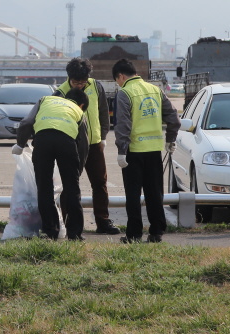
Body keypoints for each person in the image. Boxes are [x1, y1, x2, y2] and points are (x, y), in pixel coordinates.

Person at [112, 59, 179, 243]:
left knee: (133, 195)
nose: (118, 83)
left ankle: (133, 235)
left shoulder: (125, 93)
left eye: (117, 80)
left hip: (134, 152)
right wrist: (170, 139)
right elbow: (173, 117)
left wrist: (121, 151)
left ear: (121, 76)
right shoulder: (155, 90)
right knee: (155, 193)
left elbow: (123, 125)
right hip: (154, 151)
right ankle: (157, 232)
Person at [52, 58, 120, 234]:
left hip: (95, 144)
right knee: (69, 186)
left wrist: (103, 136)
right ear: (69, 78)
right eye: (76, 82)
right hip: (71, 146)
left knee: (100, 182)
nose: (80, 86)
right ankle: (68, 224)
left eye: (83, 82)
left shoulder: (96, 86)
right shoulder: (60, 92)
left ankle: (103, 222)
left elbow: (103, 112)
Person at [13, 89, 90, 240]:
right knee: (72, 189)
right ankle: (75, 234)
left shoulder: (45, 100)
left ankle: (50, 232)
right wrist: (78, 169)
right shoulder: (79, 112)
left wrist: (20, 144)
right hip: (67, 143)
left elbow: (27, 122)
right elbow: (83, 145)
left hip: (42, 142)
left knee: (44, 188)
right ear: (81, 105)